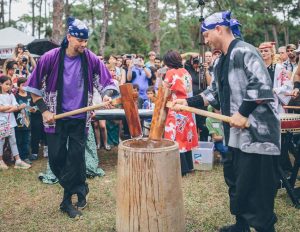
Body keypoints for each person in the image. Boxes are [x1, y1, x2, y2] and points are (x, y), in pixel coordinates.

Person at [173, 11, 280, 232]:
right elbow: (212, 94)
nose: (205, 40)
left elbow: (262, 86)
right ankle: (241, 224)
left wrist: (243, 112)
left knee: (257, 187)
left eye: (206, 34)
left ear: (219, 29)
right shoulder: (221, 60)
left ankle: (264, 228)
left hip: (258, 135)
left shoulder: (245, 51)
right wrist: (187, 102)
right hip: (235, 136)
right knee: (235, 181)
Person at [25, 17, 118, 219]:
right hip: (55, 117)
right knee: (57, 159)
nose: (83, 45)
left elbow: (107, 81)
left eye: (86, 41)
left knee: (76, 159)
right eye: (80, 40)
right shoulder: (49, 58)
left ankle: (67, 201)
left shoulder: (90, 58)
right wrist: (45, 111)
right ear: (69, 37)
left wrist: (106, 95)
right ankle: (81, 186)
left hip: (80, 117)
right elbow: (32, 88)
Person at [163, 50, 198, 176]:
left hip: (175, 108)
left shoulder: (170, 73)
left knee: (175, 138)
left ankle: (181, 169)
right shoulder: (185, 72)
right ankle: (189, 166)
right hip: (186, 108)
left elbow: (164, 91)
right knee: (185, 138)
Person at [0, 76, 30, 170]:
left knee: (13, 141)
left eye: (10, 84)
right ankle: (1, 161)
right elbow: (1, 108)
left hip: (11, 122)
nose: (8, 86)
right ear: (0, 84)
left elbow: (16, 107)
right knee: (1, 142)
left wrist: (7, 108)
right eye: (6, 84)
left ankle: (18, 161)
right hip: (2, 123)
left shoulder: (11, 95)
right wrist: (10, 107)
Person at [14, 77, 32, 164]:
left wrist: (34, 109)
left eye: (26, 85)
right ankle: (18, 157)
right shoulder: (15, 96)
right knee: (19, 140)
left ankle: (25, 156)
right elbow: (13, 108)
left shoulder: (30, 95)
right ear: (18, 86)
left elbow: (34, 106)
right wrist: (18, 107)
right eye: (23, 85)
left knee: (26, 140)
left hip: (28, 122)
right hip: (18, 123)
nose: (25, 87)